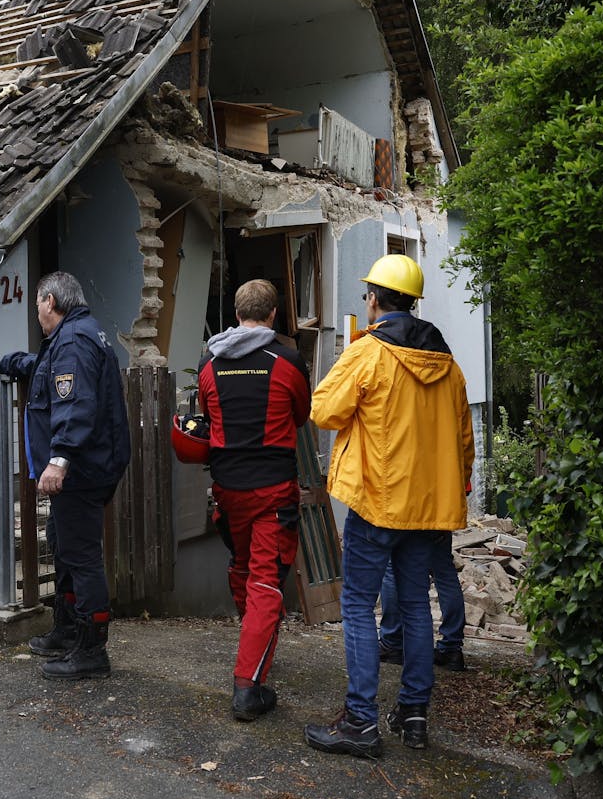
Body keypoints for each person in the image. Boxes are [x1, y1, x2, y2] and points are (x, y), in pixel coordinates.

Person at [302, 254, 474, 757]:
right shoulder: (449, 363)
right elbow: (465, 442)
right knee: (417, 605)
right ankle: (413, 715)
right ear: (413, 302)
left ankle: (361, 721)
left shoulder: (368, 352)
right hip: (426, 508)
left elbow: (323, 411)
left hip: (376, 500)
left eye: (367, 296)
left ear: (375, 299)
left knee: (358, 605)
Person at [0, 271, 130, 680]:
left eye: (36, 306)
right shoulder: (78, 336)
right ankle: (67, 628)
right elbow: (42, 368)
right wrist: (8, 364)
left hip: (82, 471)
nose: (36, 314)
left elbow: (76, 403)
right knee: (64, 546)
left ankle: (92, 648)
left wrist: (59, 459)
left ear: (50, 301)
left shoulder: (73, 341)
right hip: (88, 467)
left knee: (81, 556)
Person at [195, 280, 311, 721]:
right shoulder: (287, 360)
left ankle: (256, 645)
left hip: (228, 490)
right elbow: (302, 415)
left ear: (236, 311)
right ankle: (248, 685)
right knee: (265, 581)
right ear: (274, 315)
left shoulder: (210, 361)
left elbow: (203, 419)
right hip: (272, 492)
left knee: (243, 569)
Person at [377, 542, 467, 670]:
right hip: (439, 523)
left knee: (393, 565)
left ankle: (392, 644)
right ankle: (452, 650)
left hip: (407, 523)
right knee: (443, 569)